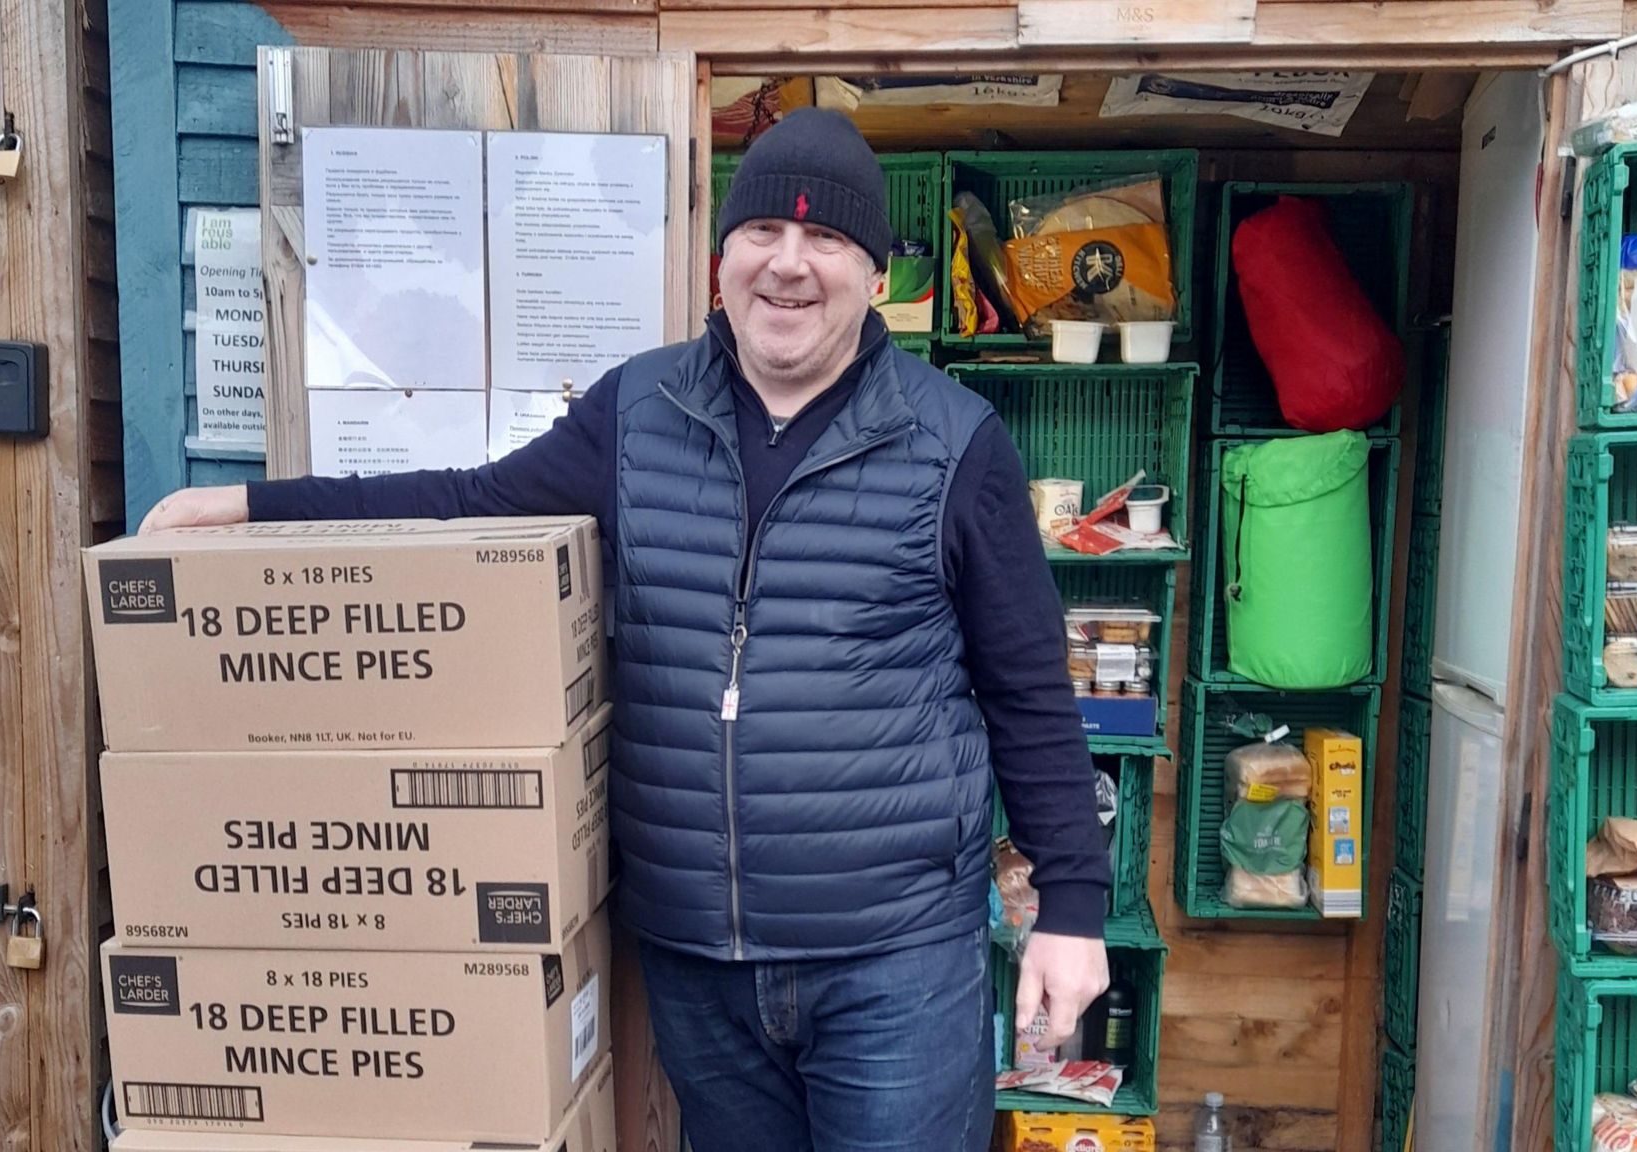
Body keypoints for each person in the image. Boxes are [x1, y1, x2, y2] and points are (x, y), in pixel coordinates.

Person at [141, 108, 1111, 1152]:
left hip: (892, 960)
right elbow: (468, 503)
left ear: (874, 277)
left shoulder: (952, 442)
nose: (789, 265)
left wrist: (1070, 912)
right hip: (699, 961)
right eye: (761, 236)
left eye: (827, 239)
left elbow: (1026, 693)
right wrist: (249, 509)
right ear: (719, 261)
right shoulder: (637, 412)